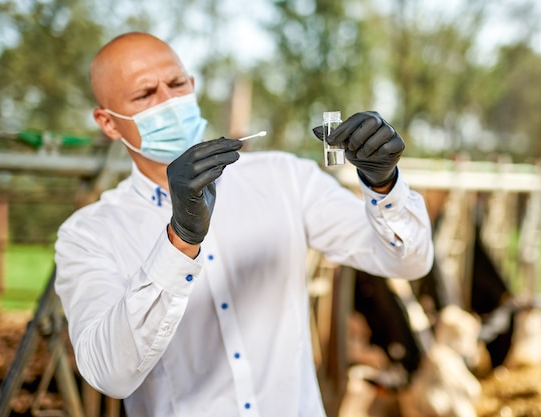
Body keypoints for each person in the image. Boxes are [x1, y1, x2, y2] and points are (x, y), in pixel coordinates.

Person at [54, 31, 434, 417]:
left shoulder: (284, 179)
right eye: (145, 95)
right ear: (109, 123)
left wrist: (384, 185)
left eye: (176, 83)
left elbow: (408, 262)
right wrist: (178, 242)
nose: (169, 101)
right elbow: (109, 374)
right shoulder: (87, 234)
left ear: (193, 85)